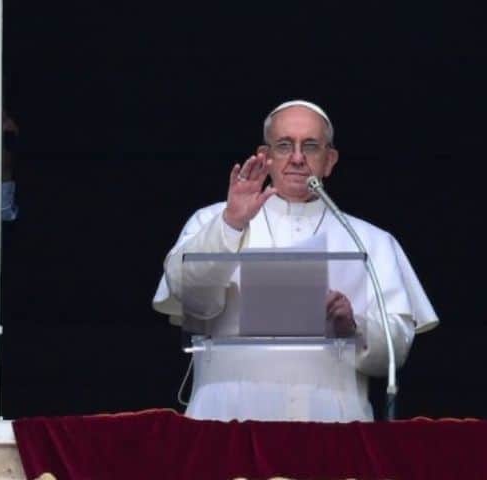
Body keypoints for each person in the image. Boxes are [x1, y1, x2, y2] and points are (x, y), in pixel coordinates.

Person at [153, 100, 438, 422]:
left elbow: (395, 350)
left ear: (329, 160)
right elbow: (187, 294)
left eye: (311, 146)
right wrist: (232, 223)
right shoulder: (212, 220)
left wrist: (355, 325)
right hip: (226, 416)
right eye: (285, 145)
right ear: (266, 155)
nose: (298, 158)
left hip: (333, 420)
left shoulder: (370, 240)